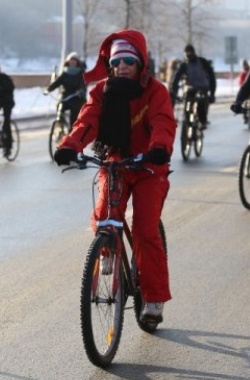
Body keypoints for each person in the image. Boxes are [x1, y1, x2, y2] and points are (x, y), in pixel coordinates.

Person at [53, 29, 176, 325]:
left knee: (146, 230)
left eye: (129, 61)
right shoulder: (101, 91)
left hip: (148, 166)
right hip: (117, 161)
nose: (122, 66)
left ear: (140, 64)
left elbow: (163, 121)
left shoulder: (155, 90)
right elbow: (87, 120)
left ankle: (155, 298)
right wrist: (70, 146)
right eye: (117, 60)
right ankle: (107, 247)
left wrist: (159, 148)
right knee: (105, 213)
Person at [170, 44, 216, 129]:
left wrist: (212, 93)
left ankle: (202, 122)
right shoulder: (185, 64)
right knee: (189, 104)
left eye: (189, 53)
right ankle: (192, 123)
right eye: (187, 53)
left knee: (199, 104)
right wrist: (173, 92)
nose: (189, 55)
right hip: (194, 89)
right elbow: (176, 79)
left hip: (200, 89)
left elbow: (211, 76)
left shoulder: (199, 62)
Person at [43, 52, 86, 128]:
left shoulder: (81, 74)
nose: (72, 62)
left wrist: (80, 91)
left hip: (76, 97)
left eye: (74, 60)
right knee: (60, 106)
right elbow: (57, 82)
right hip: (66, 96)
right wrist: (48, 89)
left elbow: (83, 85)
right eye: (71, 60)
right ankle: (60, 125)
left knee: (75, 113)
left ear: (77, 62)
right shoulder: (65, 73)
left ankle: (72, 130)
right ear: (68, 62)